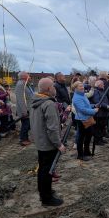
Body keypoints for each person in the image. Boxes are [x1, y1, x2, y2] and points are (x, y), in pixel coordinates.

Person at [30, 78, 65, 206]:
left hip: (40, 141)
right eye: (53, 86)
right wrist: (59, 144)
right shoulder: (48, 104)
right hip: (48, 143)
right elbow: (52, 128)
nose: (55, 88)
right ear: (49, 89)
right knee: (47, 171)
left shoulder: (36, 101)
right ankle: (46, 198)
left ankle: (45, 191)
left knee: (43, 170)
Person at [73, 81, 99, 160]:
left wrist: (93, 105)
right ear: (75, 88)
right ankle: (80, 155)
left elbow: (86, 105)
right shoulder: (77, 97)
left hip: (87, 118)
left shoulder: (82, 95)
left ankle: (86, 151)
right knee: (81, 137)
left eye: (82, 86)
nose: (82, 87)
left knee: (89, 135)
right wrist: (94, 111)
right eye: (80, 86)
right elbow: (83, 109)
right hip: (82, 120)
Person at [15, 71, 34, 146]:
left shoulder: (25, 84)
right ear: (24, 77)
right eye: (28, 75)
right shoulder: (20, 84)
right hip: (25, 110)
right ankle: (22, 139)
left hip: (29, 109)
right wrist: (24, 111)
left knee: (27, 124)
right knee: (26, 125)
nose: (29, 77)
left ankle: (25, 138)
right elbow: (21, 99)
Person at [89, 80, 109, 145]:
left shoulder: (102, 91)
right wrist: (106, 105)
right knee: (98, 127)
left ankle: (101, 139)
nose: (104, 85)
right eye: (103, 84)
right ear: (99, 85)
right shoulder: (96, 92)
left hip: (103, 113)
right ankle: (97, 140)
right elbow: (97, 101)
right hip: (99, 114)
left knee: (102, 127)